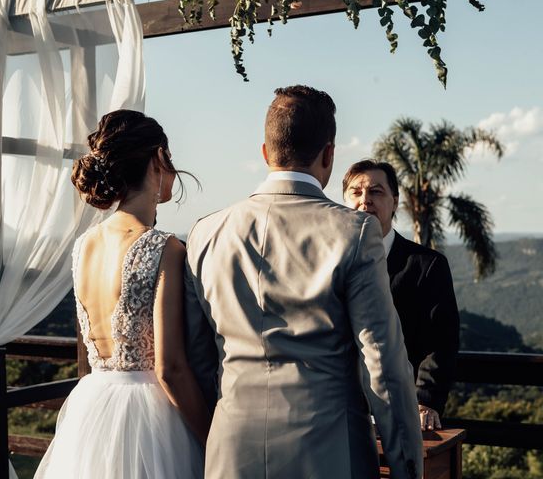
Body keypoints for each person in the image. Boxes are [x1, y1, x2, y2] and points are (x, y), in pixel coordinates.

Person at [184, 85, 423, 479]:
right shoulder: (356, 232)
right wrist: (408, 467)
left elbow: (198, 358)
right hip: (329, 451)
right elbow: (382, 364)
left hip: (230, 449)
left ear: (265, 153)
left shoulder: (205, 233)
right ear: (329, 154)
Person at [34, 110, 210, 479]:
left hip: (93, 407)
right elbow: (171, 368)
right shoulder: (163, 247)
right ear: (159, 158)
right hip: (151, 419)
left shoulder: (84, 245)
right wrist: (212, 440)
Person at [343, 159, 460, 430]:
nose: (365, 200)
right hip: (340, 413)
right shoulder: (328, 262)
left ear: (395, 202)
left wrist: (425, 401)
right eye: (356, 192)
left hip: (401, 412)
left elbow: (441, 343)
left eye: (376, 192)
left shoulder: (426, 265)